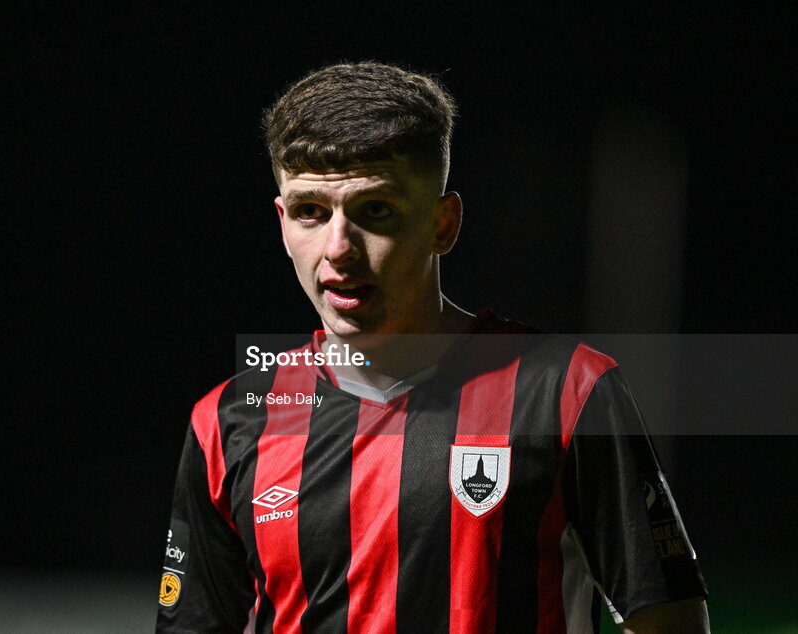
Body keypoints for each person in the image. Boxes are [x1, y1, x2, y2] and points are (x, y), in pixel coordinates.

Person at [157, 62, 709, 633]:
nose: (338, 248)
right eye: (310, 213)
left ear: (444, 224)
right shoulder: (228, 421)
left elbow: (670, 620)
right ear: (282, 222)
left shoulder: (568, 391)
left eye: (376, 210)